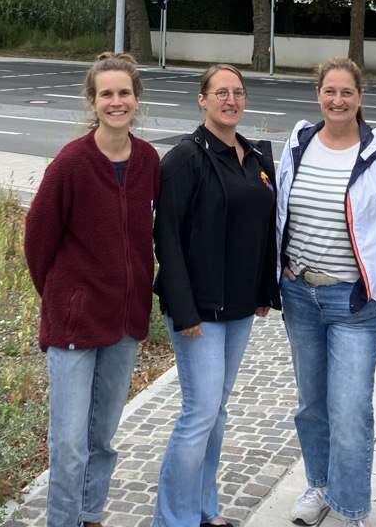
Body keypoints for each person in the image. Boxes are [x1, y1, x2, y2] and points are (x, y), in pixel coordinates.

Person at [24, 52, 160, 527]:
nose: (116, 102)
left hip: (124, 321)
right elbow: (37, 240)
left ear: (136, 100)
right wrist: (66, 297)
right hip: (75, 325)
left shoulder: (147, 160)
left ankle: (91, 514)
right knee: (68, 443)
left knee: (102, 437)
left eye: (125, 93)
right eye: (107, 94)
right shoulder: (72, 163)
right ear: (93, 101)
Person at [276, 57, 376, 527]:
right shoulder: (299, 142)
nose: (337, 100)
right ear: (318, 94)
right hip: (301, 295)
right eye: (329, 91)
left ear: (360, 97)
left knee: (350, 407)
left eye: (346, 92)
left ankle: (351, 505)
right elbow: (281, 210)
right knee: (311, 404)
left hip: (353, 301)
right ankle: (319, 486)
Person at [152, 63, 280, 527]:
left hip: (240, 307)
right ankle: (172, 519)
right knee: (199, 414)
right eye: (221, 93)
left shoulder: (255, 156)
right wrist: (183, 311)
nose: (231, 100)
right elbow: (166, 237)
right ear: (201, 100)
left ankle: (205, 511)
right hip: (199, 313)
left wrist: (266, 290)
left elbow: (266, 229)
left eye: (238, 92)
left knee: (215, 413)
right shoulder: (185, 158)